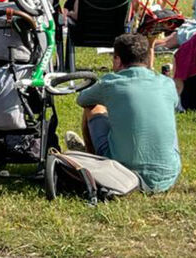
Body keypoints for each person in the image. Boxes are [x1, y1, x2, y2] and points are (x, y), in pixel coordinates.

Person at [68, 33, 181, 193]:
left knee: (93, 107)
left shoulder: (111, 83)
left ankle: (92, 159)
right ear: (147, 58)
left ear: (118, 60)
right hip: (167, 176)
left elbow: (82, 100)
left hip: (122, 172)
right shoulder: (167, 84)